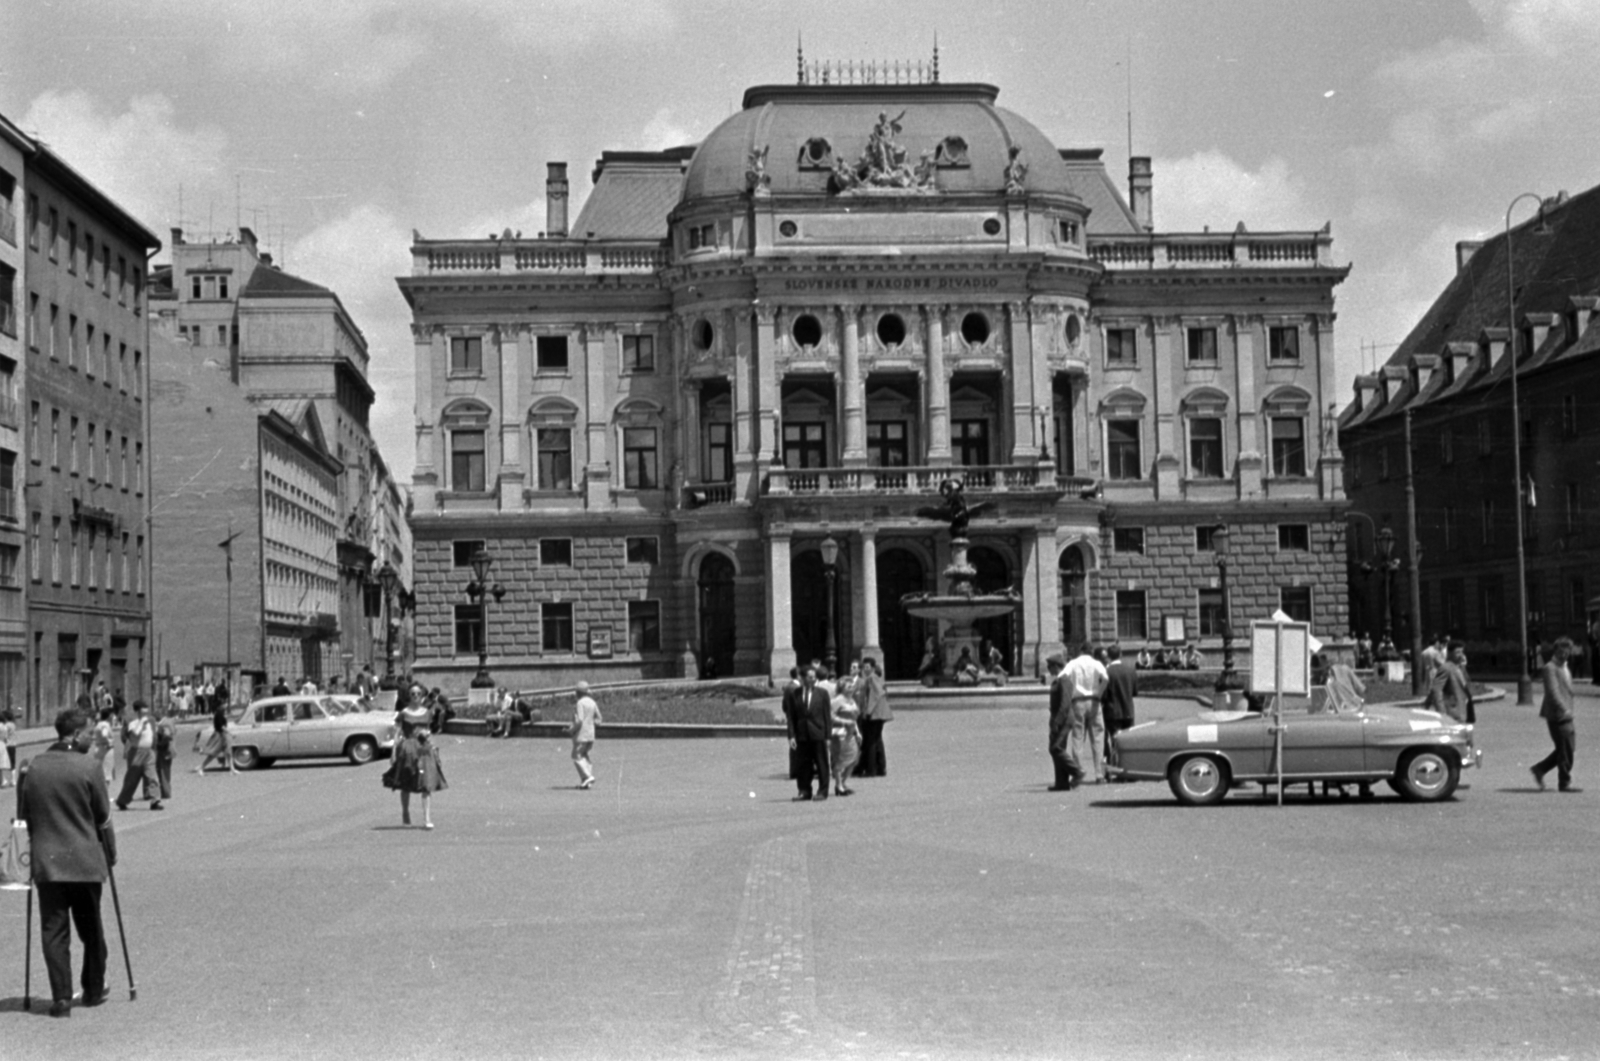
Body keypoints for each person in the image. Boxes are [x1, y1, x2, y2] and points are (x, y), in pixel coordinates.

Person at [17, 707, 117, 1017]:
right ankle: (92, 988)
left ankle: (61, 997)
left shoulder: (33, 766)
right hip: (84, 861)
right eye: (89, 732)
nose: (93, 737)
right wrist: (110, 854)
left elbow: (24, 815)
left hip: (47, 863)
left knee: (53, 931)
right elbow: (102, 818)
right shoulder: (88, 766)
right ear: (74, 734)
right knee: (91, 929)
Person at [1531, 637, 1580, 793]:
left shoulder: (1565, 667)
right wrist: (1563, 708)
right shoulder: (1550, 668)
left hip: (1567, 714)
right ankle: (1564, 782)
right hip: (1557, 715)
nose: (1565, 654)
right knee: (1565, 749)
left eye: (1567, 651)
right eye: (1561, 651)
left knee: (1566, 748)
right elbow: (1553, 692)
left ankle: (1539, 769)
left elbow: (1567, 690)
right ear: (1556, 651)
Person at [384, 707, 446, 828]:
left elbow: (428, 731)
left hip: (424, 748)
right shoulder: (403, 713)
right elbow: (397, 733)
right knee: (406, 783)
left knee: (426, 782)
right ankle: (405, 814)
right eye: (413, 694)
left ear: (421, 695)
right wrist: (393, 752)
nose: (415, 696)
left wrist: (432, 747)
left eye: (418, 694)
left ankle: (427, 818)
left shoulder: (427, 713)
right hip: (408, 749)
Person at [783, 666, 833, 801]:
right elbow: (791, 717)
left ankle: (822, 791)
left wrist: (828, 736)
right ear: (803, 678)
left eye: (814, 676)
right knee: (803, 765)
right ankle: (804, 791)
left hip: (818, 733)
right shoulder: (795, 693)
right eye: (810, 677)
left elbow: (827, 716)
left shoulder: (822, 694)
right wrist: (791, 736)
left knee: (822, 763)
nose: (813, 679)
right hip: (802, 734)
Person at [1062, 642, 1109, 785]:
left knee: (1077, 737)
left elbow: (1063, 675)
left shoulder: (1073, 663)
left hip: (1077, 702)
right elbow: (1106, 678)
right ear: (1091, 652)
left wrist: (1069, 692)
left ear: (1081, 651)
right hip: (1094, 701)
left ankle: (1078, 772)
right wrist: (1099, 694)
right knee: (1098, 738)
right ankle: (1100, 774)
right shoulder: (1097, 663)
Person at [114, 700, 163, 811]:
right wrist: (141, 722)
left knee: (152, 776)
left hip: (149, 752)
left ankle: (155, 800)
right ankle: (122, 800)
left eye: (147, 711)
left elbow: (154, 735)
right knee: (132, 778)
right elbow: (133, 734)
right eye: (143, 711)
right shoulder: (131, 720)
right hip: (136, 752)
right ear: (137, 711)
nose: (146, 714)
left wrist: (154, 747)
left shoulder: (151, 720)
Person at [854, 656, 893, 777]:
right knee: (877, 740)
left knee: (871, 741)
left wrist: (868, 711)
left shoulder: (872, 678)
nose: (865, 669)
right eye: (864, 667)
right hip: (878, 713)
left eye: (867, 667)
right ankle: (880, 767)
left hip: (874, 714)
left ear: (872, 668)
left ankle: (872, 769)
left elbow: (876, 695)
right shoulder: (874, 677)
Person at [1102, 645, 1137, 771]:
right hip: (1128, 710)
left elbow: (1104, 694)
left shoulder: (1107, 671)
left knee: (1114, 741)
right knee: (1128, 740)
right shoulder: (1130, 669)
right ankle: (1129, 767)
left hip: (1112, 712)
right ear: (1120, 654)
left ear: (1108, 656)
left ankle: (1116, 767)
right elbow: (1134, 691)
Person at [829, 681, 861, 797]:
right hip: (839, 732)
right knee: (841, 759)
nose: (851, 689)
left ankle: (843, 782)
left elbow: (854, 718)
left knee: (854, 759)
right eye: (848, 687)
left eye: (852, 686)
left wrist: (857, 732)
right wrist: (844, 721)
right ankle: (839, 785)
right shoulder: (837, 700)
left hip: (850, 732)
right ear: (842, 688)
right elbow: (830, 715)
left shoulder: (852, 700)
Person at [570, 681, 602, 789]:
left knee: (576, 756)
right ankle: (585, 781)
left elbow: (579, 720)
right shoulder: (592, 702)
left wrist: (572, 729)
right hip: (591, 734)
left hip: (581, 735)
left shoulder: (580, 703)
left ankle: (588, 776)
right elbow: (599, 718)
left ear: (578, 692)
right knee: (584, 755)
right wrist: (592, 724)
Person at [195, 694, 237, 774]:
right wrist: (231, 734)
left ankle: (232, 769)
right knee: (213, 754)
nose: (226, 705)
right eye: (224, 704)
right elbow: (221, 727)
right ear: (220, 706)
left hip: (223, 735)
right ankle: (201, 767)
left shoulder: (220, 713)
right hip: (219, 736)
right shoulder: (218, 714)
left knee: (229, 752)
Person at [1438, 640, 1475, 725]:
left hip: (1463, 710)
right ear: (1449, 653)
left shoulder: (1458, 668)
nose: (1461, 655)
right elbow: (1436, 691)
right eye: (1457, 652)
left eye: (1462, 652)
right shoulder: (1445, 668)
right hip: (1453, 712)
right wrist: (1442, 713)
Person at [153, 703, 177, 802]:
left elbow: (167, 735)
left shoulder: (164, 724)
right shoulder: (169, 721)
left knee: (163, 771)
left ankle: (166, 792)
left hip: (164, 750)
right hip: (169, 749)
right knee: (165, 771)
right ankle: (165, 791)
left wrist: (160, 743)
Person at [90, 705, 117, 784]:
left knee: (100, 773)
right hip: (106, 750)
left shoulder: (99, 724)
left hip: (99, 748)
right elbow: (104, 734)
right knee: (107, 774)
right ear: (109, 715)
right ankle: (105, 795)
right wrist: (108, 742)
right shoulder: (105, 725)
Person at [0, 707, 15, 787]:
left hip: (3, 744)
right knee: (4, 763)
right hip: (5, 744)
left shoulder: (4, 726)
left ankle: (3, 780)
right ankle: (7, 780)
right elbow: (5, 737)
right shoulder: (7, 726)